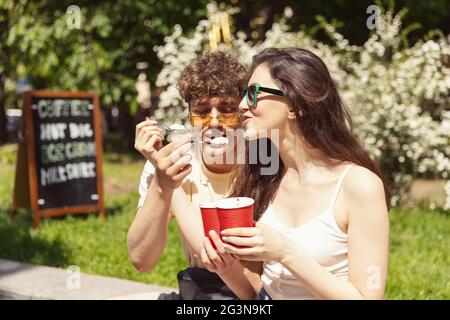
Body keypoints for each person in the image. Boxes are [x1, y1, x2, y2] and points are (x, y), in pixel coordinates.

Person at [200, 47, 390, 300]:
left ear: (295, 106)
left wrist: (285, 251)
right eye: (245, 94)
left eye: (254, 93)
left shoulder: (359, 186)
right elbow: (258, 294)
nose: (243, 104)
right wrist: (227, 269)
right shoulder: (264, 176)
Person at [127, 51, 260, 300]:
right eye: (201, 111)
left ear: (243, 114)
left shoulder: (263, 161)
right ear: (189, 116)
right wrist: (162, 184)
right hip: (202, 292)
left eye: (227, 110)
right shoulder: (169, 163)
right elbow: (141, 260)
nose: (212, 123)